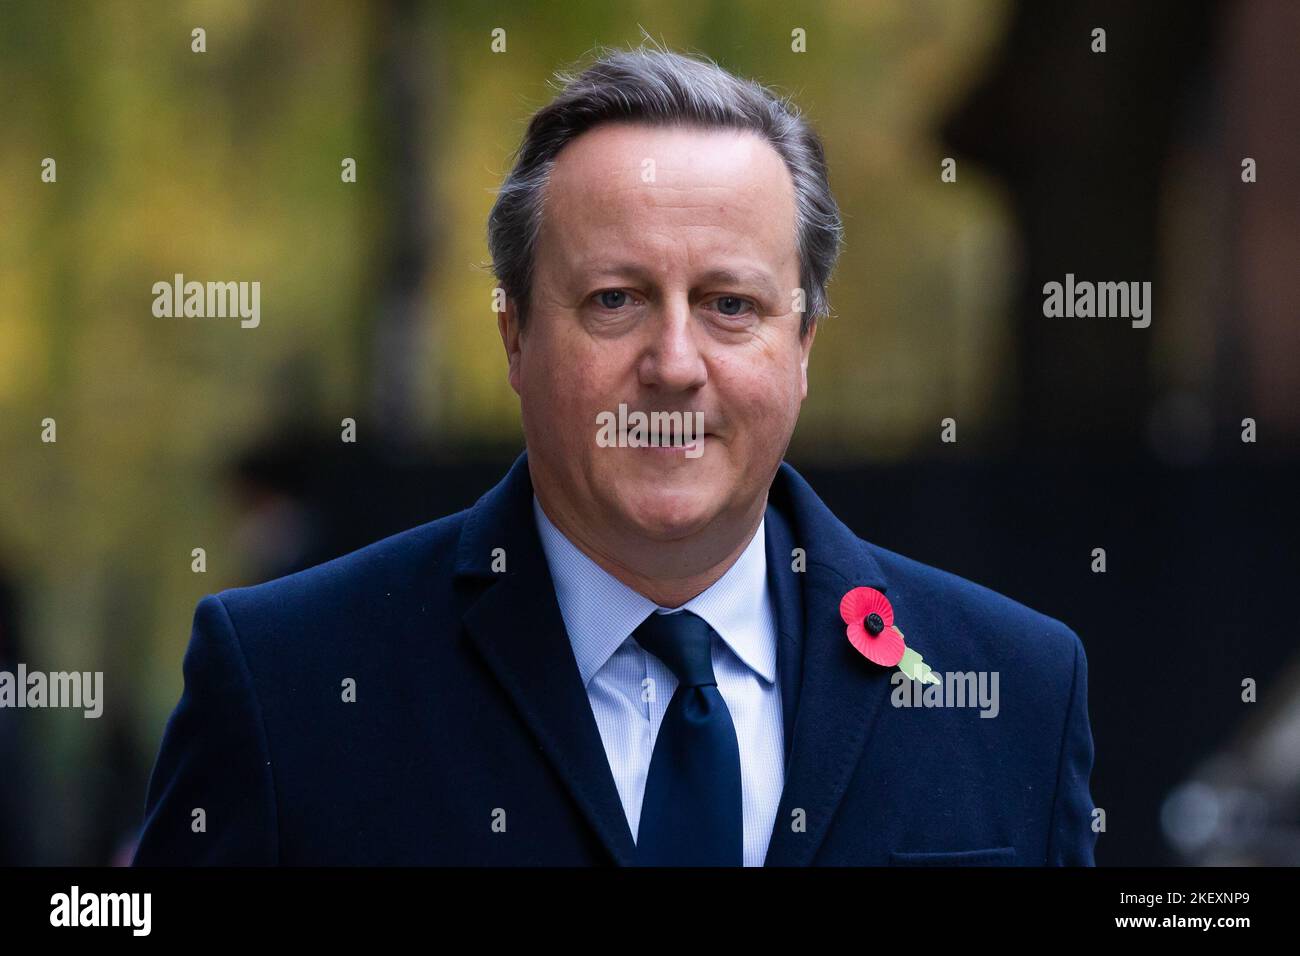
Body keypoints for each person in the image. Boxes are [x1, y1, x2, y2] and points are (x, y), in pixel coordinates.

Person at [132, 43, 1095, 867]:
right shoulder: (286, 686)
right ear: (514, 335)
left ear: (802, 346)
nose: (674, 365)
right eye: (614, 301)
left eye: (731, 305)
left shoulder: (1014, 692)